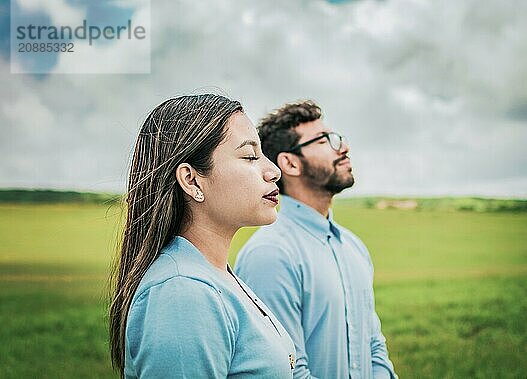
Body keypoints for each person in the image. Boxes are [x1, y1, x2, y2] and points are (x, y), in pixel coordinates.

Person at [108, 94, 296, 378]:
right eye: (249, 156)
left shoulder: (214, 275)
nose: (273, 171)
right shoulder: (183, 292)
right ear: (191, 180)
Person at [234, 100, 398, 378]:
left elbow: (374, 347)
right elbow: (287, 371)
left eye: (337, 139)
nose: (342, 148)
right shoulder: (270, 254)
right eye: (324, 141)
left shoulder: (353, 247)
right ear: (290, 163)